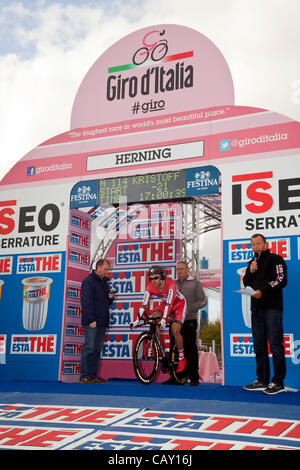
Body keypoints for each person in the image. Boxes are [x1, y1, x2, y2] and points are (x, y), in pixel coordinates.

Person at [242, 233, 287, 395]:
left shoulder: (276, 259)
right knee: (259, 345)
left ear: (265, 244)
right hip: (256, 309)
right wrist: (251, 271)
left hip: (272, 308)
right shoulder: (251, 263)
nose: (255, 247)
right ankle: (262, 380)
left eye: (258, 243)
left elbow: (281, 279)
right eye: (253, 244)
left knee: (275, 345)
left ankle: (278, 382)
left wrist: (263, 291)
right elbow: (246, 283)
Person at [132, 265, 187, 373]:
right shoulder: (149, 287)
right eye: (151, 278)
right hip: (165, 304)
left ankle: (181, 357)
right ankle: (159, 350)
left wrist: (164, 319)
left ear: (162, 277)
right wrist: (137, 320)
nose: (153, 281)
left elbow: (169, 304)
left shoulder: (171, 283)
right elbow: (144, 304)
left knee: (175, 330)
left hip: (178, 304)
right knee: (154, 317)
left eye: (156, 278)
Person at [79, 258, 115, 383]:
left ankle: (92, 376)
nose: (107, 272)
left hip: (102, 321)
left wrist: (110, 298)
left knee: (96, 350)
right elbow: (86, 302)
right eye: (105, 269)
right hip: (93, 321)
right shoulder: (88, 281)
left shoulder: (104, 282)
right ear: (98, 267)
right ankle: (84, 376)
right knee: (89, 348)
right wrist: (90, 319)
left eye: (108, 270)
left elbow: (103, 303)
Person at [176, 261, 207, 386]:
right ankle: (178, 378)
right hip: (175, 321)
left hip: (189, 320)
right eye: (178, 269)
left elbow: (203, 300)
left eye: (182, 269)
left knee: (190, 349)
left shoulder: (195, 283)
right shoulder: (173, 284)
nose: (179, 271)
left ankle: (194, 377)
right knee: (177, 349)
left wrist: (190, 308)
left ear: (188, 269)